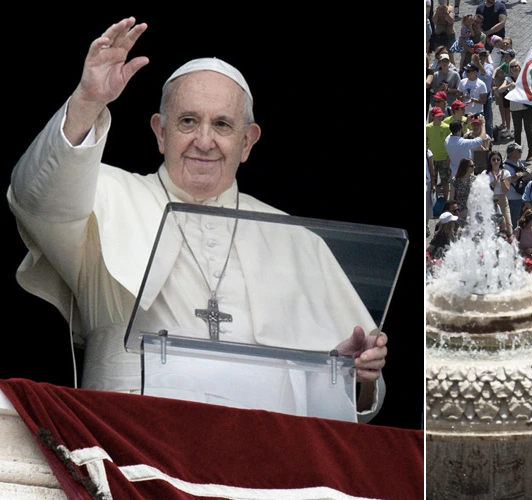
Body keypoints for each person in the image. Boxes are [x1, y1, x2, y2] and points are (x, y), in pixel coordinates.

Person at [8, 18, 387, 419]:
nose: (204, 141)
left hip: (267, 455)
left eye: (222, 125)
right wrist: (87, 100)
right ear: (160, 131)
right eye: (188, 121)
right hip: (131, 435)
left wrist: (348, 373)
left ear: (247, 142)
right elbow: (37, 196)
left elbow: (358, 393)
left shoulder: (297, 240)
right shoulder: (105, 195)